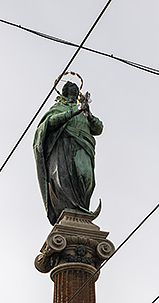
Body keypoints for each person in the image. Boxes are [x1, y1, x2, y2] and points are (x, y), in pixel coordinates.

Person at [34, 81, 103, 225]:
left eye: (75, 91)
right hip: (65, 146)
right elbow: (48, 123)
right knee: (65, 178)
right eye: (71, 90)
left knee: (86, 177)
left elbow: (98, 129)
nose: (73, 92)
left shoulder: (84, 110)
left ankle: (82, 207)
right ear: (64, 93)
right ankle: (71, 209)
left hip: (84, 145)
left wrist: (88, 113)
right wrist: (72, 113)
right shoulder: (59, 107)